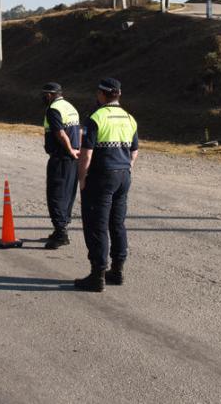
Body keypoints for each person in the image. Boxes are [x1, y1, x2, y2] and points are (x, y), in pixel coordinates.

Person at [74, 78, 138, 292]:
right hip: (123, 175)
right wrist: (126, 168)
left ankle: (97, 274)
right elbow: (134, 151)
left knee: (97, 225)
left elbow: (87, 153)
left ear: (101, 94)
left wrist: (82, 177)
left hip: (102, 176)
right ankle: (117, 270)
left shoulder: (97, 117)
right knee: (117, 223)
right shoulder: (129, 118)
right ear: (118, 95)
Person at [40, 82, 81, 250]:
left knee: (56, 194)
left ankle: (61, 233)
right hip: (73, 158)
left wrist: (70, 149)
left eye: (44, 94)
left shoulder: (53, 109)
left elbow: (60, 133)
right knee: (68, 193)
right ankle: (60, 229)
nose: (42, 97)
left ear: (50, 95)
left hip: (61, 157)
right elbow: (78, 130)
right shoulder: (69, 106)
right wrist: (76, 150)